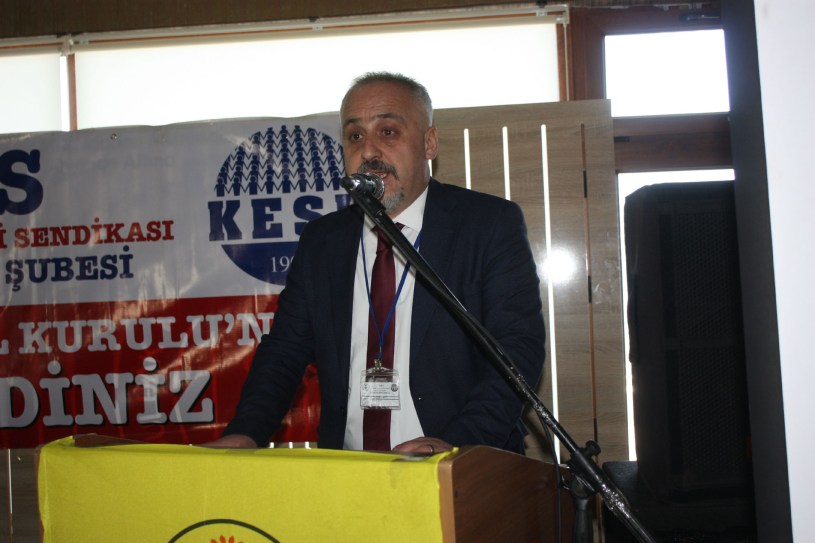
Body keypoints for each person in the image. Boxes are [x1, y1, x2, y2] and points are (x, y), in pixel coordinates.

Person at [207, 72, 546, 455]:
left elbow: (518, 347)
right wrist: (247, 431)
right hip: (352, 471)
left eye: (388, 132)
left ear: (429, 143)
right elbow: (285, 351)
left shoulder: (487, 224)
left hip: (461, 464)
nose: (368, 152)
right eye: (355, 136)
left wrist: (457, 445)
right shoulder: (323, 241)